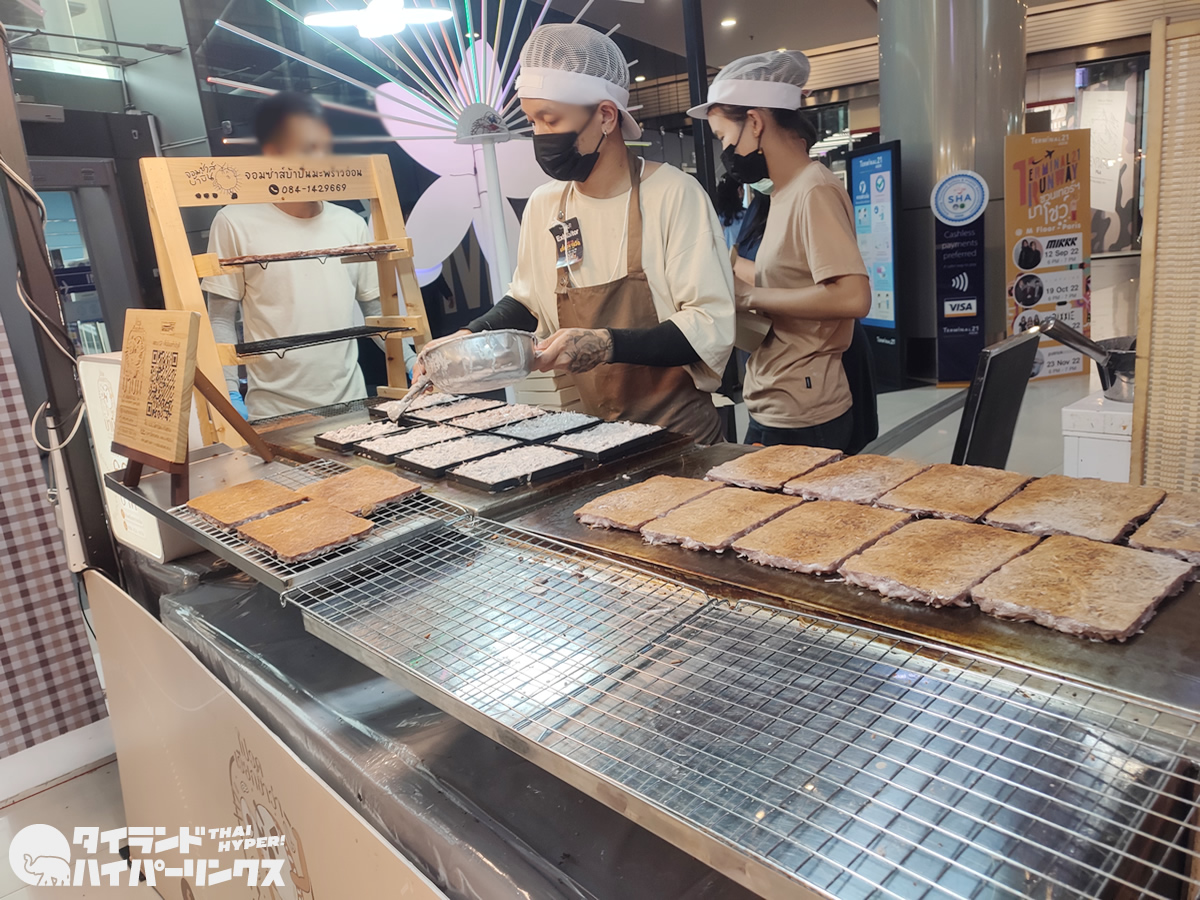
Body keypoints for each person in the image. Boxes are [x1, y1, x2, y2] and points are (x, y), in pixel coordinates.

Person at [415, 24, 734, 444]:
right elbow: (528, 301)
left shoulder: (673, 194)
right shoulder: (546, 204)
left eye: (550, 120)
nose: (539, 136)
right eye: (532, 122)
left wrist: (605, 344)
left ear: (605, 116)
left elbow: (708, 326)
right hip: (602, 437)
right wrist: (469, 336)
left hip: (683, 437)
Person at [689, 51, 870, 450]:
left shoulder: (813, 189)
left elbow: (853, 296)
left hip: (802, 409)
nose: (726, 151)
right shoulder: (784, 193)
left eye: (723, 137)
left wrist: (751, 296)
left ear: (755, 122)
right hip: (778, 396)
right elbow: (794, 274)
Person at [202, 92, 405, 420]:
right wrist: (229, 392)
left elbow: (375, 310)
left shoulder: (350, 223)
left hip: (352, 405)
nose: (321, 158)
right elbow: (221, 318)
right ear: (274, 153)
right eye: (308, 147)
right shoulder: (234, 222)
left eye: (326, 147)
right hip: (275, 413)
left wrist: (412, 360)